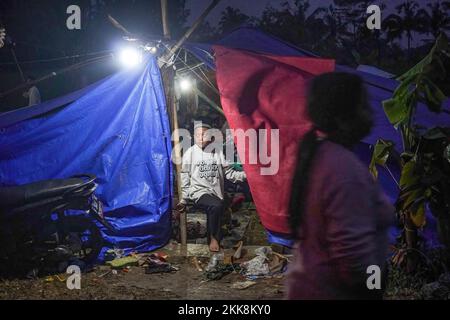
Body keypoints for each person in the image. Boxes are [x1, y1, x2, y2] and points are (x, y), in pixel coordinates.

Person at [286, 72, 395, 300]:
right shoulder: (344, 169)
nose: (371, 114)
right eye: (363, 105)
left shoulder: (321, 155)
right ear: (345, 116)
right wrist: (375, 286)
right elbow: (355, 259)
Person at [177, 122, 247, 252]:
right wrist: (185, 198)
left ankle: (214, 236)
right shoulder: (190, 153)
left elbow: (229, 174)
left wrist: (247, 175)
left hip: (216, 193)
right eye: (197, 135)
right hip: (198, 192)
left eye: (204, 135)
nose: (200, 138)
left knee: (217, 207)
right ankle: (214, 239)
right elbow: (184, 176)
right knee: (216, 206)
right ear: (193, 136)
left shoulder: (217, 152)